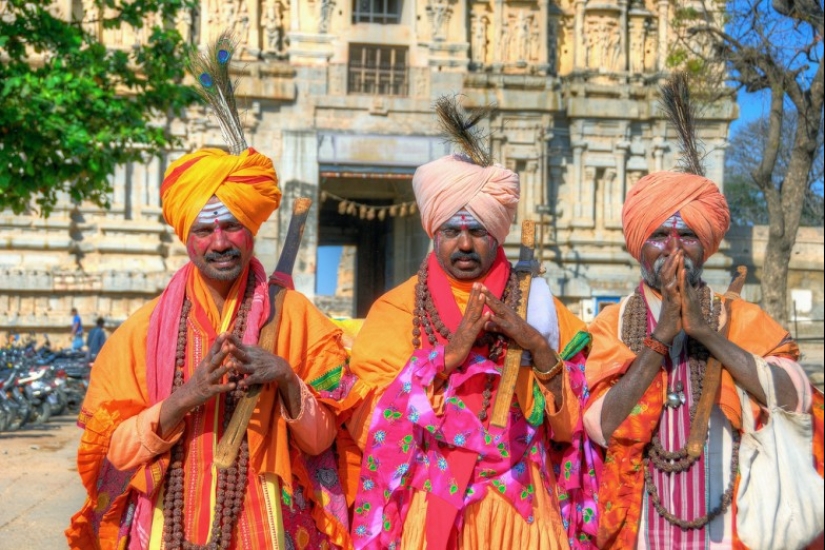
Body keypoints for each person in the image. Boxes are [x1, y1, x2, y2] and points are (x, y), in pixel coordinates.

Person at [66, 147, 361, 549]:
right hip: (165, 527)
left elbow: (321, 442)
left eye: (231, 226)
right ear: (186, 238)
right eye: (204, 230)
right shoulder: (141, 330)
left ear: (251, 231)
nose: (219, 242)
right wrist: (185, 397)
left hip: (266, 527)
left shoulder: (294, 318)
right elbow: (114, 454)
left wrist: (287, 379)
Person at [346, 99, 600, 550]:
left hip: (521, 512)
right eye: (451, 231)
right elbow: (368, 424)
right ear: (433, 233)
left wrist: (537, 347)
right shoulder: (398, 308)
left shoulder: (538, 304)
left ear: (497, 233)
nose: (464, 244)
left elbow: (573, 429)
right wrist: (444, 358)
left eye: (478, 230)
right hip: (429, 506)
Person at [584, 169, 824, 549]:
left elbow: (795, 399)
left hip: (732, 525)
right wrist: (661, 336)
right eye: (660, 235)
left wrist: (706, 334)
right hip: (642, 527)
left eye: (689, 235)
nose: (674, 248)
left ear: (706, 245)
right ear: (640, 244)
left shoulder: (741, 318)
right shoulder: (609, 326)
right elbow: (604, 427)